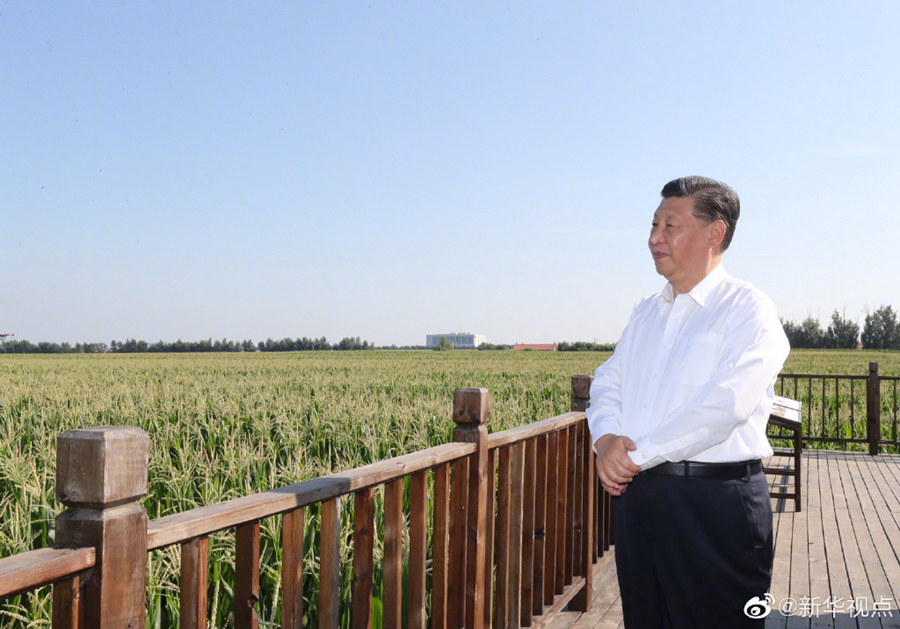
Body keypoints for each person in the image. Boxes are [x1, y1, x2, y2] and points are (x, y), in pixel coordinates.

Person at [587, 176, 790, 628]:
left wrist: (634, 456)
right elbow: (608, 382)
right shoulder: (646, 311)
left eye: (669, 225)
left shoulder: (748, 309)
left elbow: (726, 405)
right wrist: (605, 440)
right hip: (639, 500)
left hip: (714, 506)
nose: (654, 238)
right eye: (653, 225)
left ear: (714, 233)